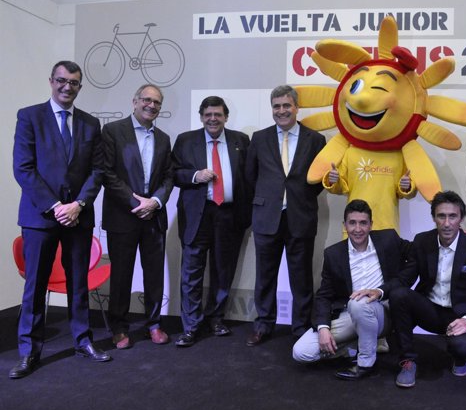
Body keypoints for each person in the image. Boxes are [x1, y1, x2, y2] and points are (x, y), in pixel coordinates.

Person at [10, 60, 111, 378]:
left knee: (78, 284)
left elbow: (98, 170)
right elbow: (23, 168)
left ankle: (83, 341)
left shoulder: (91, 124)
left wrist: (79, 204)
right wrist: (56, 206)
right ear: (51, 81)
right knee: (35, 286)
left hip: (78, 217)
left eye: (74, 83)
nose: (68, 87)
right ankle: (29, 352)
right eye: (62, 81)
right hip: (40, 217)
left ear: (80, 86)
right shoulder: (29, 117)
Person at [389, 191, 466, 388]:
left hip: (460, 316)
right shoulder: (422, 241)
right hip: (430, 310)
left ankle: (460, 358)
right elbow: (405, 278)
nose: (447, 223)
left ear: (461, 219)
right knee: (399, 295)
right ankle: (408, 361)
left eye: (452, 216)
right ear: (433, 218)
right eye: (441, 216)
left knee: (461, 347)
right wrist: (379, 291)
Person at [292, 199, 412, 379]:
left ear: (371, 224)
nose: (358, 229)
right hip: (350, 314)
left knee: (358, 304)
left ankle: (365, 362)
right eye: (352, 223)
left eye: (363, 223)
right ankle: (356, 347)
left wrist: (383, 290)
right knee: (301, 352)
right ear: (345, 225)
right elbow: (324, 295)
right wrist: (323, 328)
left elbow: (419, 251)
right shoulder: (333, 254)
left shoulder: (388, 239)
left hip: (383, 312)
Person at [245, 85, 326, 345]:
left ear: (296, 107)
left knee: (301, 278)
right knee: (264, 276)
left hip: (300, 217)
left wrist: (298, 199)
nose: (281, 111)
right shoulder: (259, 138)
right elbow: (250, 177)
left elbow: (319, 182)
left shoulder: (315, 140)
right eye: (276, 106)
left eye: (286, 105)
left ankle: (301, 328)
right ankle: (263, 325)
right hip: (266, 217)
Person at [171, 96, 251, 347]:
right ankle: (191, 326)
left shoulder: (241, 141)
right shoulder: (186, 140)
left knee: (223, 270)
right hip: (198, 214)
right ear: (201, 116)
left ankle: (216, 318)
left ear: (226, 116)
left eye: (218, 114)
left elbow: (248, 178)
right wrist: (195, 175)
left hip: (228, 214)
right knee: (191, 272)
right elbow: (172, 173)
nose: (213, 119)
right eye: (208, 115)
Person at [102, 84, 174, 349]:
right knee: (121, 275)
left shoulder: (164, 138)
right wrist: (136, 202)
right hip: (123, 215)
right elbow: (107, 173)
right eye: (146, 100)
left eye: (157, 102)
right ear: (134, 101)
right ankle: (119, 328)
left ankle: (154, 324)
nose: (151, 105)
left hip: (153, 216)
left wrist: (154, 201)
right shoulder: (112, 131)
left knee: (154, 274)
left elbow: (169, 175)